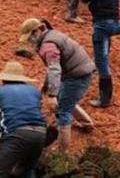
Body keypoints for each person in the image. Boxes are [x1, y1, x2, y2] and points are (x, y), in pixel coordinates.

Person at [19, 18, 96, 151]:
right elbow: (54, 68)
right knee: (66, 100)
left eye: (30, 36)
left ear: (37, 31)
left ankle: (62, 151)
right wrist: (47, 85)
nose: (30, 41)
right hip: (79, 71)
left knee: (63, 112)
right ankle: (87, 123)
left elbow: (54, 69)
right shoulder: (52, 35)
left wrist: (52, 95)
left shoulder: (48, 46)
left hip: (77, 77)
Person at [0, 61, 48, 178]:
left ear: (3, 78)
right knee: (25, 171)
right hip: (40, 134)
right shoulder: (34, 91)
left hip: (17, 135)